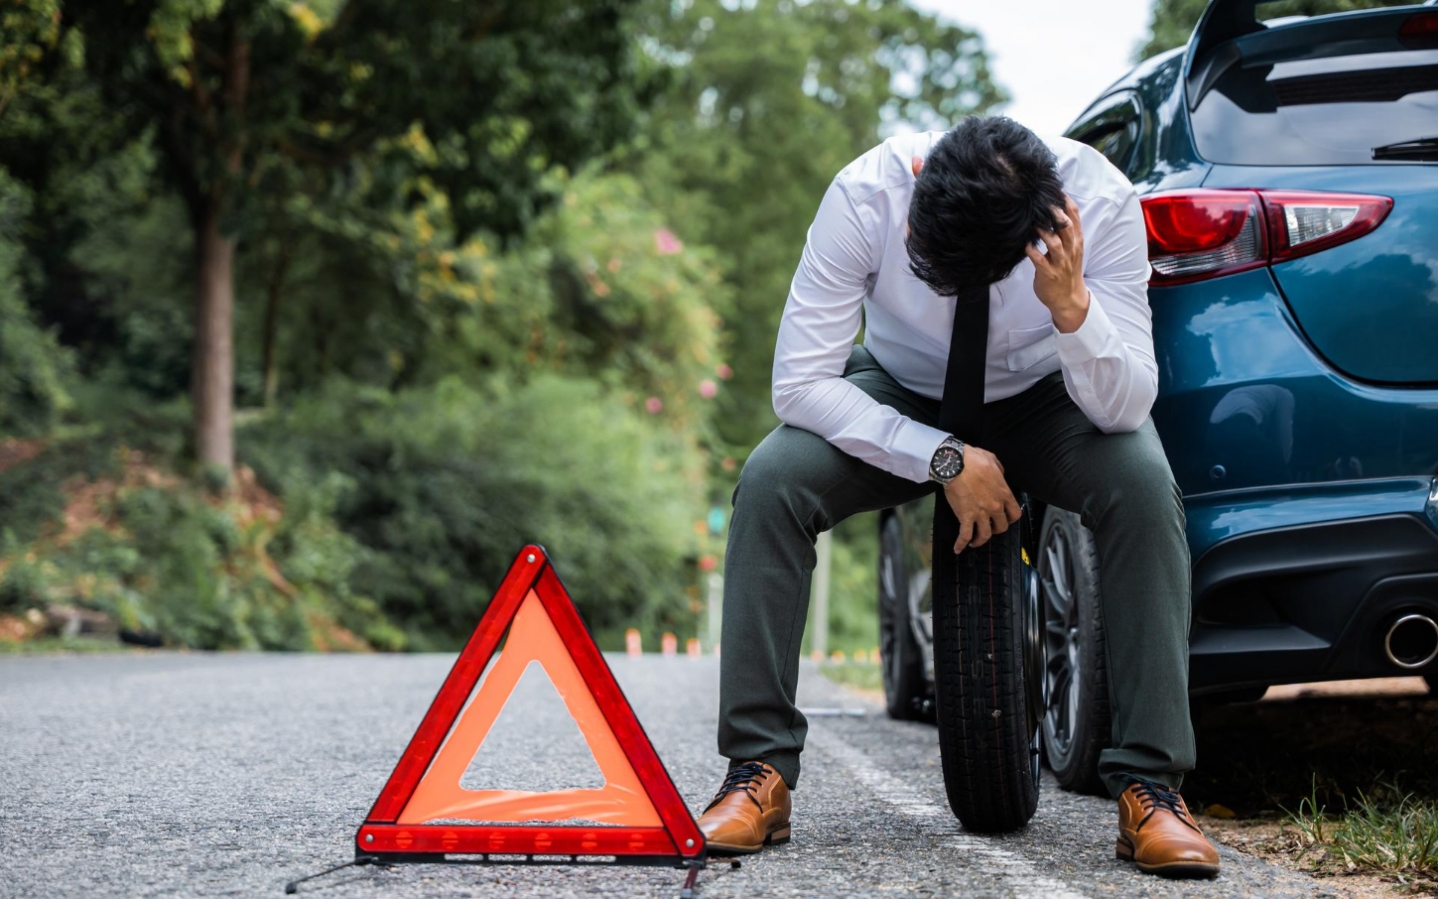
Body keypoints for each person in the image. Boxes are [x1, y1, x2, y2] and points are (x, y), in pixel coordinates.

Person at [695, 116, 1219, 878]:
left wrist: (1073, 307)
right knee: (773, 481)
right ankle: (758, 772)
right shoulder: (867, 195)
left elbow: (1123, 408)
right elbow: (800, 384)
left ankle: (1152, 786)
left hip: (1051, 396)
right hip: (905, 394)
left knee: (1142, 482)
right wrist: (941, 456)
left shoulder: (1100, 202)